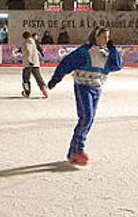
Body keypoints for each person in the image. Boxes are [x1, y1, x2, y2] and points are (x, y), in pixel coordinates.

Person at [47, 26, 123, 166]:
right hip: (83, 86)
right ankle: (79, 149)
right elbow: (66, 63)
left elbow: (117, 66)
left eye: (108, 37)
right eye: (103, 36)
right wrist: (56, 79)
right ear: (96, 36)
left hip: (97, 87)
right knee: (86, 117)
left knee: (89, 118)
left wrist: (113, 50)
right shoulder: (84, 52)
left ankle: (73, 152)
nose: (106, 40)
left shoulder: (107, 53)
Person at [21, 31, 49, 98]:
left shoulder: (27, 42)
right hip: (36, 64)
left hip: (28, 64)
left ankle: (27, 92)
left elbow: (29, 50)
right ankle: (44, 90)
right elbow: (37, 51)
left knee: (25, 79)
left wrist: (30, 60)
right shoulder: (34, 42)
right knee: (39, 78)